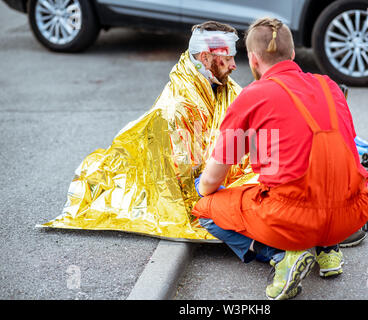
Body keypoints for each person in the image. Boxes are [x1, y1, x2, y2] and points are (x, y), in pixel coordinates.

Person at [192, 17, 368, 300]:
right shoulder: (329, 86)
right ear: (292, 54)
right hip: (351, 211)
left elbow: (213, 177)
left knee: (205, 207)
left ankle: (282, 255)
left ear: (253, 60)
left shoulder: (253, 96)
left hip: (294, 219)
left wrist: (205, 189)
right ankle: (327, 249)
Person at [40, 21, 252, 241]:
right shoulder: (176, 109)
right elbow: (184, 183)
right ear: (205, 58)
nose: (234, 65)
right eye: (227, 59)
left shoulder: (227, 87)